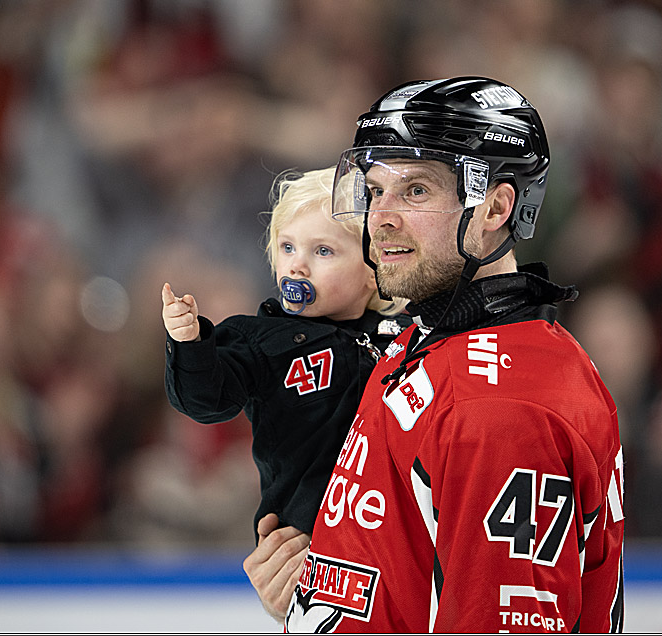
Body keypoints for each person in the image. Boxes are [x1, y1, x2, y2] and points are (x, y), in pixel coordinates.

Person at [250, 77, 625, 632]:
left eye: (416, 190)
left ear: (496, 206)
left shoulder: (498, 412)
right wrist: (319, 598)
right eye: (375, 191)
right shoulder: (431, 338)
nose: (381, 217)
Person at [161, 167, 409, 548]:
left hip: (394, 530)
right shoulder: (260, 339)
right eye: (287, 247)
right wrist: (190, 344)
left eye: (323, 251)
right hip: (306, 536)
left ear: (375, 268)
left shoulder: (406, 337)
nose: (297, 265)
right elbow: (208, 401)